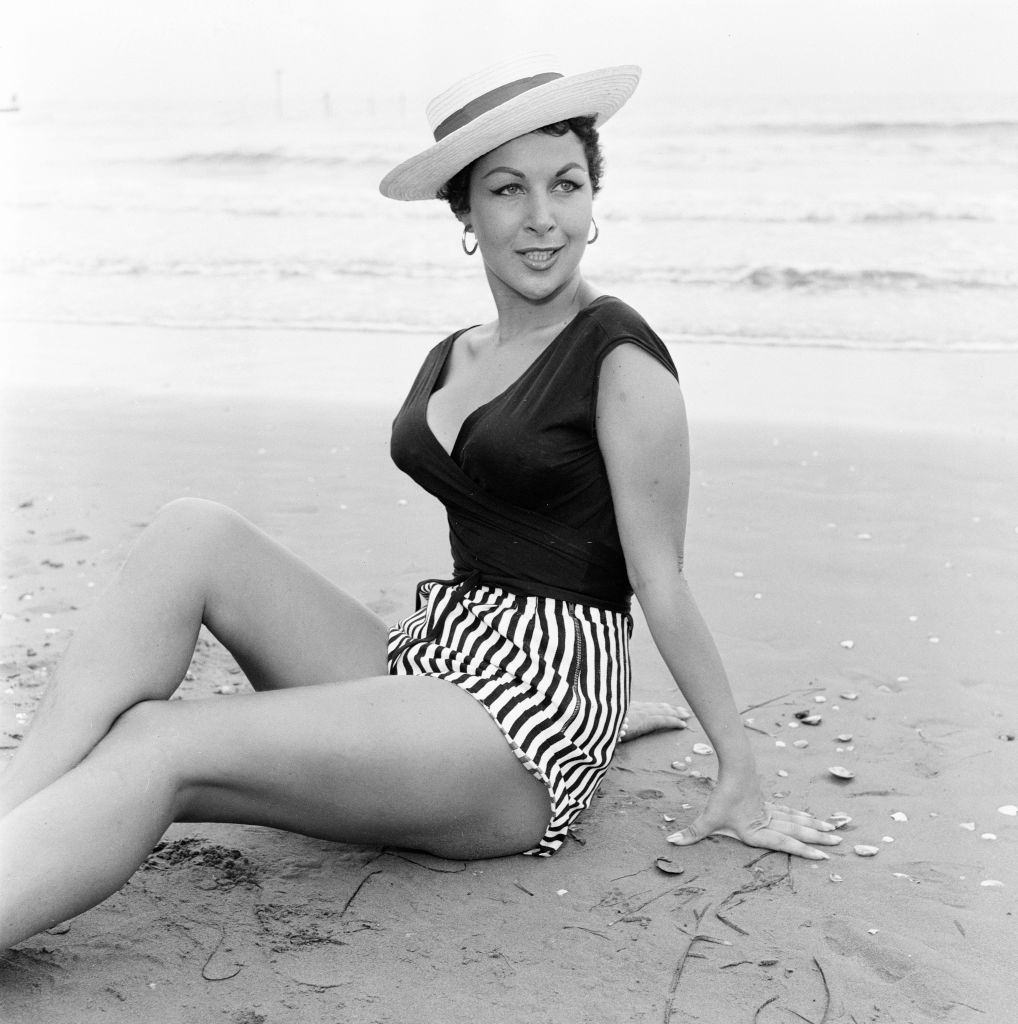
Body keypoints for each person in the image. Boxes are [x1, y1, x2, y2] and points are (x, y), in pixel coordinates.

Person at [0, 55, 839, 949]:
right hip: (433, 659)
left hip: (526, 715)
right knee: (190, 530)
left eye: (566, 184)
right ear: (467, 213)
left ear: (595, 200)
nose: (542, 217)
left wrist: (735, 770)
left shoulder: (620, 359)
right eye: (508, 190)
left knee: (158, 743)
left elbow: (659, 579)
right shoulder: (455, 353)